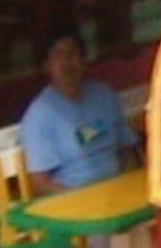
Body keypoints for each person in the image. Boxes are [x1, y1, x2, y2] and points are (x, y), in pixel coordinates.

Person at [18, 30, 129, 194]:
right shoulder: (39, 115)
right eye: (58, 55)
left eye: (73, 54)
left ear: (84, 59)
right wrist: (81, 199)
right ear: (46, 66)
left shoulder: (105, 95)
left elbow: (127, 151)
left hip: (117, 192)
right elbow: (40, 184)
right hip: (75, 201)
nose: (67, 62)